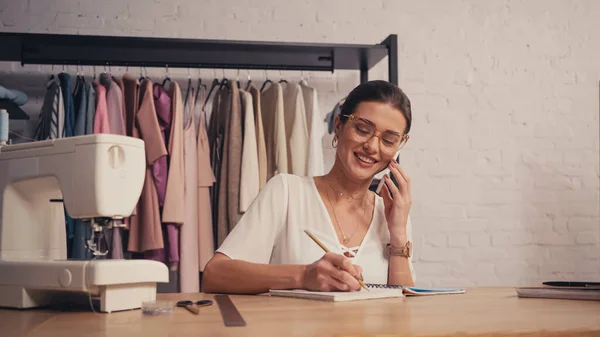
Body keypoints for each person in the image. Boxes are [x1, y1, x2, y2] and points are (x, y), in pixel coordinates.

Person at [202, 80, 414, 294]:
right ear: (339, 126)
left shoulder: (392, 215)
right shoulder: (286, 192)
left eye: (388, 140)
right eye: (362, 129)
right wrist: (302, 276)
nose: (372, 146)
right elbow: (214, 275)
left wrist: (398, 234)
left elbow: (404, 309)